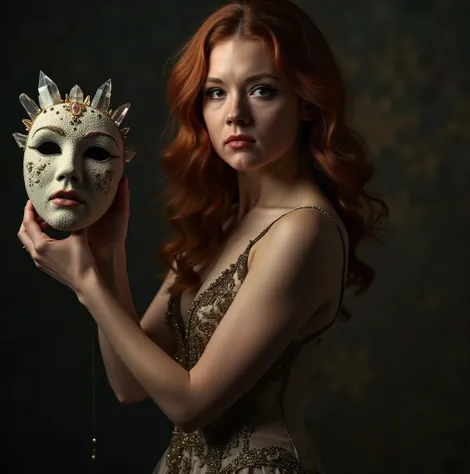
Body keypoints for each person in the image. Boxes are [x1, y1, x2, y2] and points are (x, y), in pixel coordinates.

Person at [17, 0, 388, 472]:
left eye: (262, 90)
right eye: (215, 92)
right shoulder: (223, 221)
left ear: (307, 102)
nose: (235, 114)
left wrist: (86, 283)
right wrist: (108, 254)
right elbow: (129, 384)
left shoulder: (304, 230)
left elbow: (189, 407)